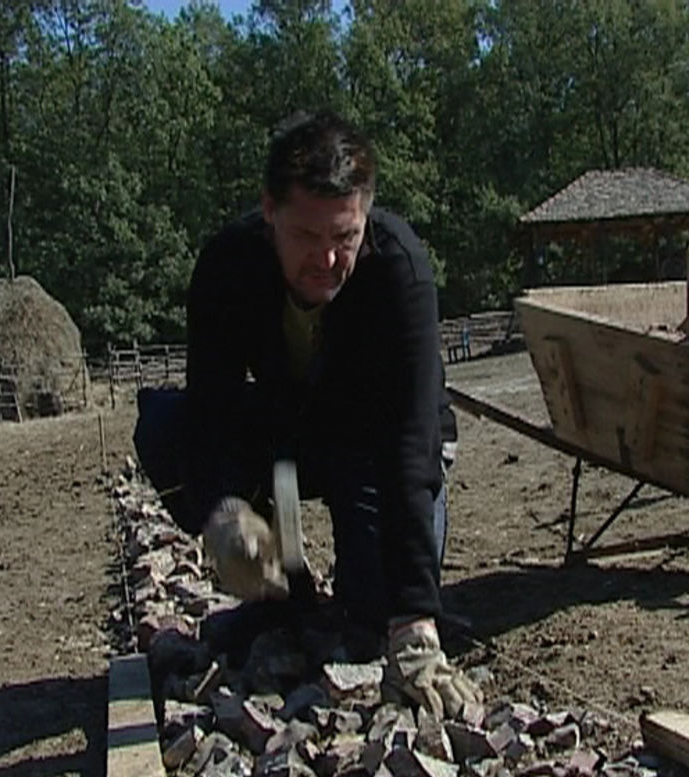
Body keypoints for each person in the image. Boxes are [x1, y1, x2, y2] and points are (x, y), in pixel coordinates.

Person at [133, 109, 480, 720]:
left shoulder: (398, 269)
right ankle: (283, 600)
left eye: (344, 239)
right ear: (270, 212)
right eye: (307, 238)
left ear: (366, 215)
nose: (326, 261)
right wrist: (225, 512)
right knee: (163, 425)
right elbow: (210, 408)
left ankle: (367, 603)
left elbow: (410, 442)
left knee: (375, 613)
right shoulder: (226, 267)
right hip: (291, 441)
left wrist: (416, 621)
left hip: (378, 442)